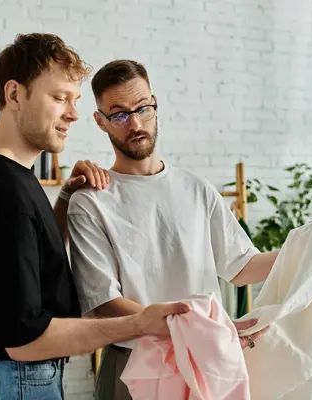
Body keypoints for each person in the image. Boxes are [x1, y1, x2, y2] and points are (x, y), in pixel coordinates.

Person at [0, 35, 190, 400]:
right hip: (12, 380)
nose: (73, 113)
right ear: (14, 96)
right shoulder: (0, 190)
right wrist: (140, 323)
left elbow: (35, 263)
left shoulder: (10, 175)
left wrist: (65, 198)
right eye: (59, 98)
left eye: (74, 100)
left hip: (9, 380)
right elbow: (24, 341)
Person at [67, 59, 279, 400]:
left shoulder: (197, 188)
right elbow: (104, 302)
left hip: (204, 360)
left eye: (142, 108)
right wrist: (193, 327)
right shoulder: (91, 202)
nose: (135, 123)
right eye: (119, 114)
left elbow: (240, 267)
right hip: (133, 365)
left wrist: (302, 251)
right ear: (100, 121)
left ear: (155, 104)